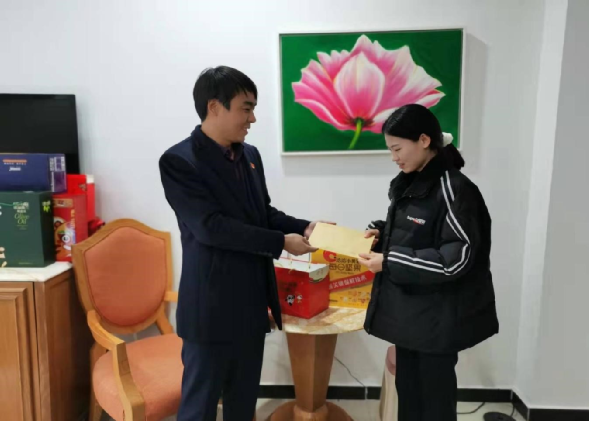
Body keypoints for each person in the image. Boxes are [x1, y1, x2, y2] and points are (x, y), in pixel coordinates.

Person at [159, 66, 323, 421]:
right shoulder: (179, 161)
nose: (252, 118)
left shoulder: (250, 156)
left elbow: (262, 212)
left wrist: (306, 227)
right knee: (199, 408)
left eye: (253, 109)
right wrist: (282, 242)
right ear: (214, 106)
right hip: (210, 309)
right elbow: (211, 228)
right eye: (246, 108)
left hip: (251, 305)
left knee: (242, 404)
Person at [358, 104, 499, 421]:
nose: (394, 157)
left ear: (424, 140)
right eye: (390, 150)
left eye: (397, 148)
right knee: (410, 397)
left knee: (434, 405)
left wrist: (389, 261)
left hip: (437, 323)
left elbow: (455, 260)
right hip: (411, 319)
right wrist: (381, 233)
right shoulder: (412, 182)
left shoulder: (455, 188)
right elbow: (419, 235)